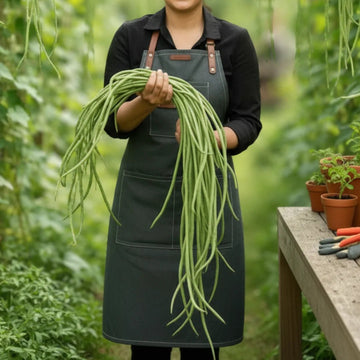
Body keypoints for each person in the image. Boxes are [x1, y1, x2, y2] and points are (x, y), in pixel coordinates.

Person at [102, 1, 262, 359]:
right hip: (144, 208)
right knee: (145, 344)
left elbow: (248, 122)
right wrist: (145, 101)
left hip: (206, 204)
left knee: (202, 345)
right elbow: (113, 122)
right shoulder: (131, 36)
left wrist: (211, 138)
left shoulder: (235, 41)